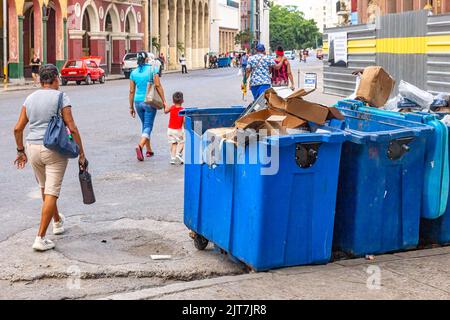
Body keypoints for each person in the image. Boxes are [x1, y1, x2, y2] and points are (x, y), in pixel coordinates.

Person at [13, 64, 86, 251]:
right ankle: (40, 237)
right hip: (53, 148)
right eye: (59, 78)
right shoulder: (61, 97)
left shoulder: (29, 98)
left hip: (32, 148)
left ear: (40, 80)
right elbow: (72, 126)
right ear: (55, 79)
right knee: (52, 192)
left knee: (45, 188)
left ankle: (57, 221)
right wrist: (81, 153)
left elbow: (17, 128)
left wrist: (20, 151)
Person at [129, 52, 168, 161]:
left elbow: (131, 91)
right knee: (148, 126)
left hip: (137, 102)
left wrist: (131, 107)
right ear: (147, 59)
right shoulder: (152, 69)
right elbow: (158, 85)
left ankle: (149, 150)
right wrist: (164, 101)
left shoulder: (133, 72)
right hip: (149, 101)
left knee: (145, 125)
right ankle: (140, 146)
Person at [164, 91, 185, 165]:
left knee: (174, 144)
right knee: (182, 142)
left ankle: (172, 158)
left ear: (173, 101)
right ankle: (178, 154)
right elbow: (184, 121)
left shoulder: (171, 107)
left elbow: (165, 111)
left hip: (170, 130)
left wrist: (165, 105)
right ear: (182, 100)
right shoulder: (182, 110)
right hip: (178, 130)